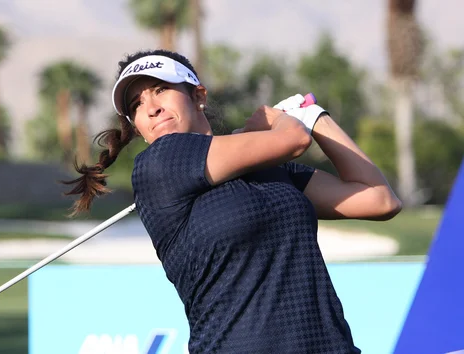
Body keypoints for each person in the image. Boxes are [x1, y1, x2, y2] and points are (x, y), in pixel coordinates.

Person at [63, 49, 402, 353]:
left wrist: (314, 115)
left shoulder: (272, 169)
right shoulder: (159, 162)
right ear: (136, 125)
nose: (151, 108)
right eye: (136, 105)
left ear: (198, 96)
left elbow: (379, 199)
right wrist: (277, 121)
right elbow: (294, 138)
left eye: (161, 89)